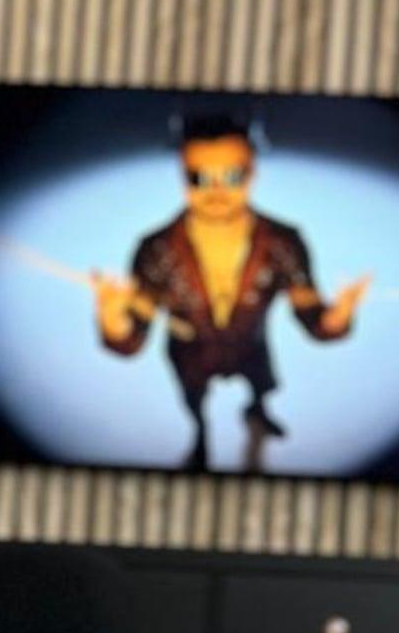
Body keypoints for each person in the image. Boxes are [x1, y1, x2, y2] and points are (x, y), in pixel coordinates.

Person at [92, 111, 371, 472]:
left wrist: (337, 316)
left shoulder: (283, 243)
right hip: (190, 349)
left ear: (253, 175)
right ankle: (200, 435)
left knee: (261, 384)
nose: (216, 191)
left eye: (232, 176)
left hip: (250, 344)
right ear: (182, 179)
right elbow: (136, 329)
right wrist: (112, 319)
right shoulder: (156, 249)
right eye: (199, 178)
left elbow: (309, 310)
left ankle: (258, 411)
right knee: (194, 397)